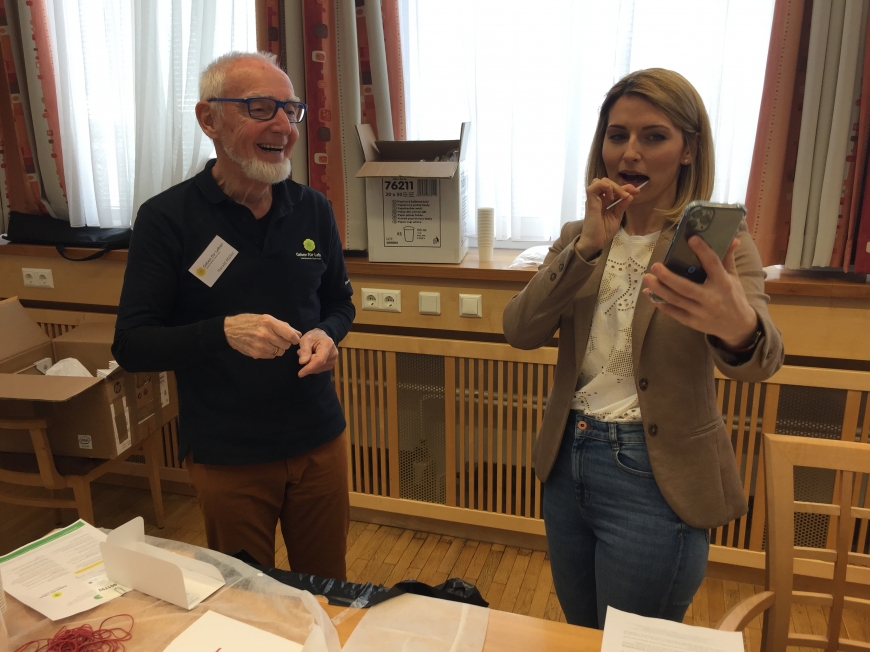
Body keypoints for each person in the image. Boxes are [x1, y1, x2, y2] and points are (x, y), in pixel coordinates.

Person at [502, 68, 784, 628]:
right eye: (617, 135)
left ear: (688, 149)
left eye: (653, 136)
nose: (629, 153)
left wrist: (737, 326)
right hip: (567, 461)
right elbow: (520, 330)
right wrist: (586, 248)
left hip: (656, 477)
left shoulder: (718, 244)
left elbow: (763, 360)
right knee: (583, 634)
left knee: (632, 640)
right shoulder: (580, 235)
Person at [112, 51, 355, 580]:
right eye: (261, 108)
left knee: (329, 587)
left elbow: (340, 302)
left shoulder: (312, 209)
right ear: (209, 119)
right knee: (249, 599)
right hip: (229, 453)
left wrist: (327, 332)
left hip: (319, 439)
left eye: (291, 109)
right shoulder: (166, 219)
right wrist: (223, 332)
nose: (283, 126)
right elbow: (131, 344)